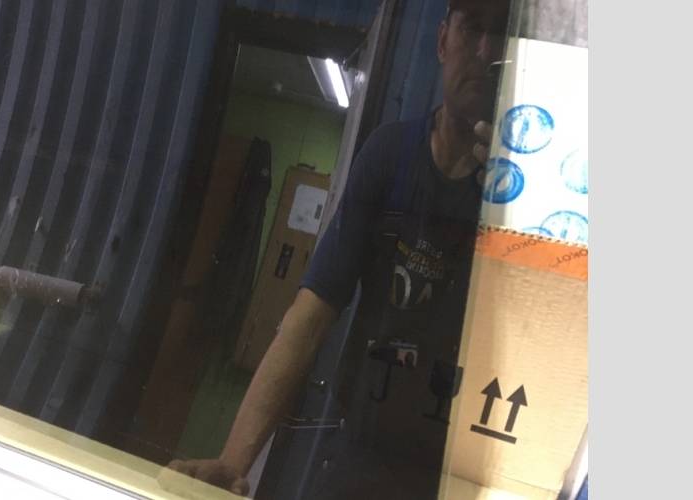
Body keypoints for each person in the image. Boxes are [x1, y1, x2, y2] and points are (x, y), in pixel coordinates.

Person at [163, 0, 510, 497]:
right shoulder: (390, 155)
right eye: (472, 27)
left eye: (501, 34)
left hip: (464, 476)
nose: (485, 50)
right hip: (362, 456)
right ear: (441, 41)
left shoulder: (524, 192)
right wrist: (233, 463)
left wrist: (516, 205)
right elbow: (309, 318)